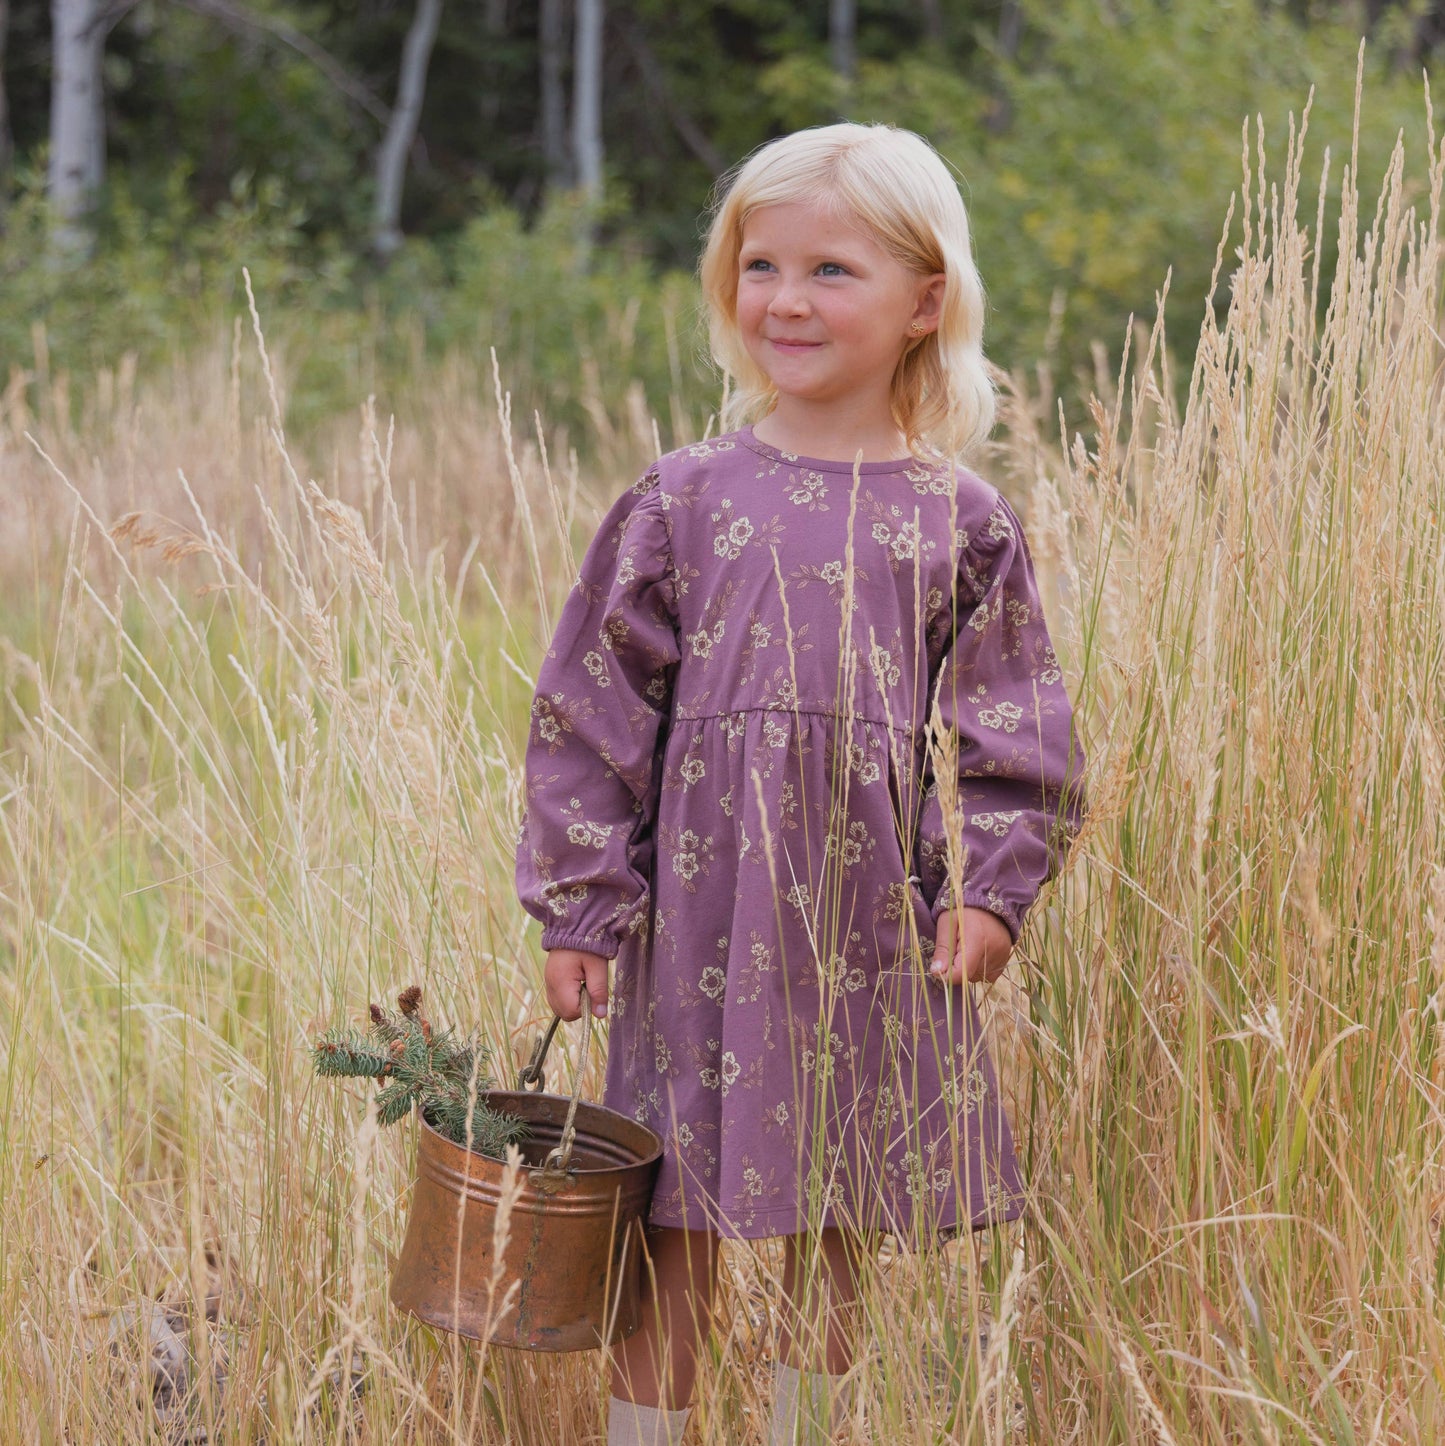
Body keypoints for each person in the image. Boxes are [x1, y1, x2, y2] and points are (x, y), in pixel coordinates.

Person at [515, 122, 1085, 1446]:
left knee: (837, 1203)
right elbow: (590, 711)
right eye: (761, 264)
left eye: (831, 270)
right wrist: (580, 902)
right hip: (696, 920)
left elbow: (1010, 729)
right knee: (669, 1210)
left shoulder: (960, 518)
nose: (785, 298)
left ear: (923, 301)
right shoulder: (683, 497)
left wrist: (989, 893)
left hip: (866, 923)